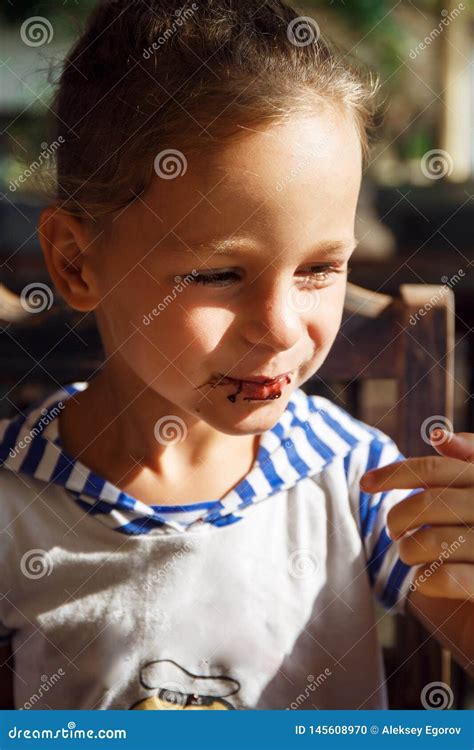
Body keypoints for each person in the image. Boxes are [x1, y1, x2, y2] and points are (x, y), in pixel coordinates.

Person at [0, 0, 472, 711]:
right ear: (75, 263)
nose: (281, 328)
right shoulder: (14, 500)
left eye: (320, 269)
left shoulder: (356, 481)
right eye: (219, 275)